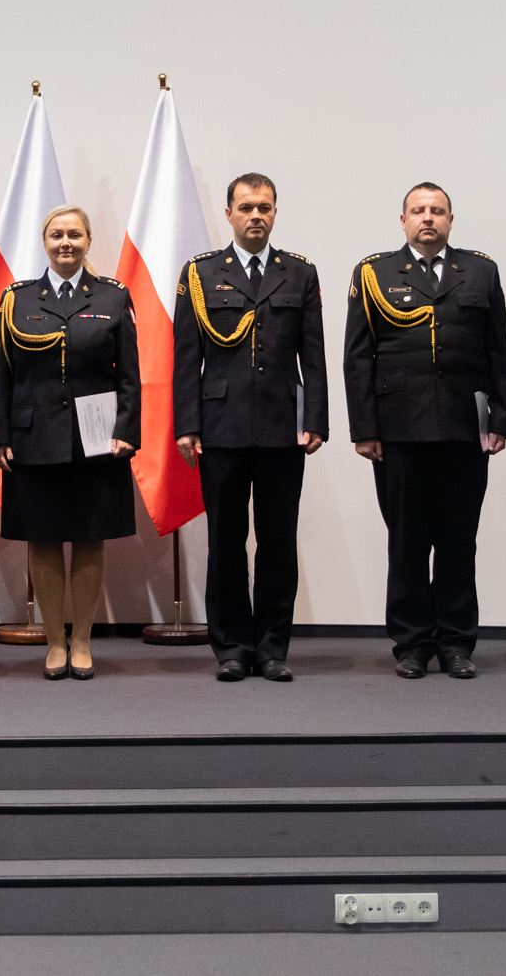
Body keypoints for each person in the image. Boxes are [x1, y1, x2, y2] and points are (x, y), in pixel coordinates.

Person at [345, 183, 506, 681]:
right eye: (418, 211)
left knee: (459, 541)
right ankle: (413, 644)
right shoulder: (374, 273)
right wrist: (364, 429)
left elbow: (498, 351)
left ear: (451, 220)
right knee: (407, 543)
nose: (428, 218)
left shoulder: (480, 271)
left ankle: (456, 643)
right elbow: (358, 357)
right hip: (399, 430)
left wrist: (500, 420)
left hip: (464, 430)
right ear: (403, 221)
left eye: (437, 211)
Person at [173, 173, 328, 682]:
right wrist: (187, 425)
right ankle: (233, 648)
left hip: (284, 428)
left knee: (278, 542)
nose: (255, 215)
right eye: (246, 207)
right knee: (226, 541)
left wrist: (316, 419)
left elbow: (313, 356)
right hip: (221, 427)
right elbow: (185, 358)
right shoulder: (201, 274)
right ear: (229, 214)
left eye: (264, 207)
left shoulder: (299, 273)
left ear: (275, 212)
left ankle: (272, 648)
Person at [0, 205, 140, 679]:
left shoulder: (113, 296)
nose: (66, 242)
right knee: (44, 539)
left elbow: (130, 375)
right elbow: (2, 374)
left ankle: (83, 640)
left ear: (89, 241)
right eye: (56, 235)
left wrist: (127, 430)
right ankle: (55, 642)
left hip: (96, 442)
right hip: (34, 441)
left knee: (90, 538)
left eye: (75, 234)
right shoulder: (16, 299)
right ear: (45, 242)